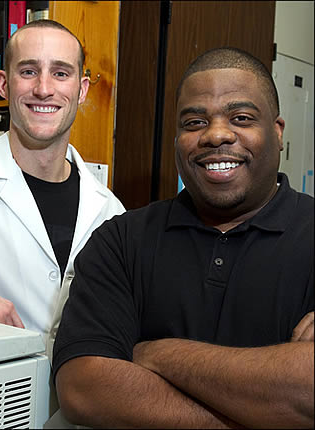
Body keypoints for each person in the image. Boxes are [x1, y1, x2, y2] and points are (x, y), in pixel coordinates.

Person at [52, 47, 314, 428]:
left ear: (276, 133)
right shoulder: (121, 241)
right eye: (194, 123)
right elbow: (83, 388)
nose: (217, 135)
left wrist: (161, 354)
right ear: (177, 138)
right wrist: (262, 410)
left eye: (241, 118)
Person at [0, 19, 125, 362]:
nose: (43, 88)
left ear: (81, 90)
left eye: (61, 73)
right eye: (28, 71)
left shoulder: (112, 213)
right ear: (3, 84)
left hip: (75, 410)